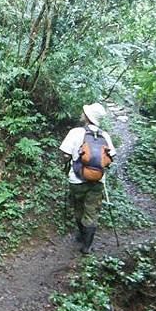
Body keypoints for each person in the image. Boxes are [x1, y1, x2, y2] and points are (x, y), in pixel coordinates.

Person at [59, 103, 116, 253]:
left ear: (87, 117)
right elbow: (111, 158)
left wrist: (67, 163)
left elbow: (66, 154)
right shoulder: (105, 135)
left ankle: (81, 235)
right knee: (91, 211)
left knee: (78, 208)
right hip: (98, 181)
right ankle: (87, 246)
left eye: (84, 112)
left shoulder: (76, 132)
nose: (82, 114)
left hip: (77, 180)